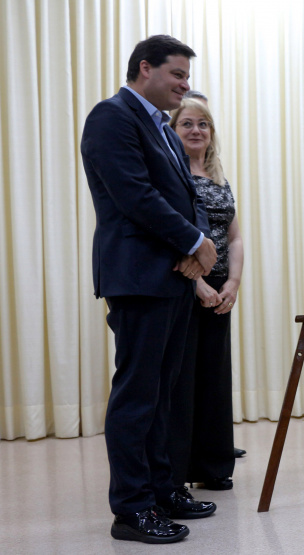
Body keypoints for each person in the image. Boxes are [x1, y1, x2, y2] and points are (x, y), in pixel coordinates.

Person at [81, 35, 217, 544]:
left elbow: (188, 195)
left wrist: (196, 247)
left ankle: (163, 489)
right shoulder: (111, 117)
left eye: (186, 76)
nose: (185, 85)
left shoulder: (162, 125)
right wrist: (195, 242)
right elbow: (134, 195)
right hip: (138, 276)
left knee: (164, 393)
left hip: (173, 274)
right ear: (145, 68)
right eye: (177, 74)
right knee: (138, 394)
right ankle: (132, 508)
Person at [167, 97, 244, 490]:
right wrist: (197, 283)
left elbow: (235, 236)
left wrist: (232, 283)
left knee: (215, 379)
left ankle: (214, 467)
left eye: (203, 124)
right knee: (183, 381)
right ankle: (178, 473)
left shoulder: (218, 176)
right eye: (187, 123)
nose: (196, 130)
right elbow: (169, 234)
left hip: (220, 290)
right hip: (184, 285)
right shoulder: (170, 173)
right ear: (172, 130)